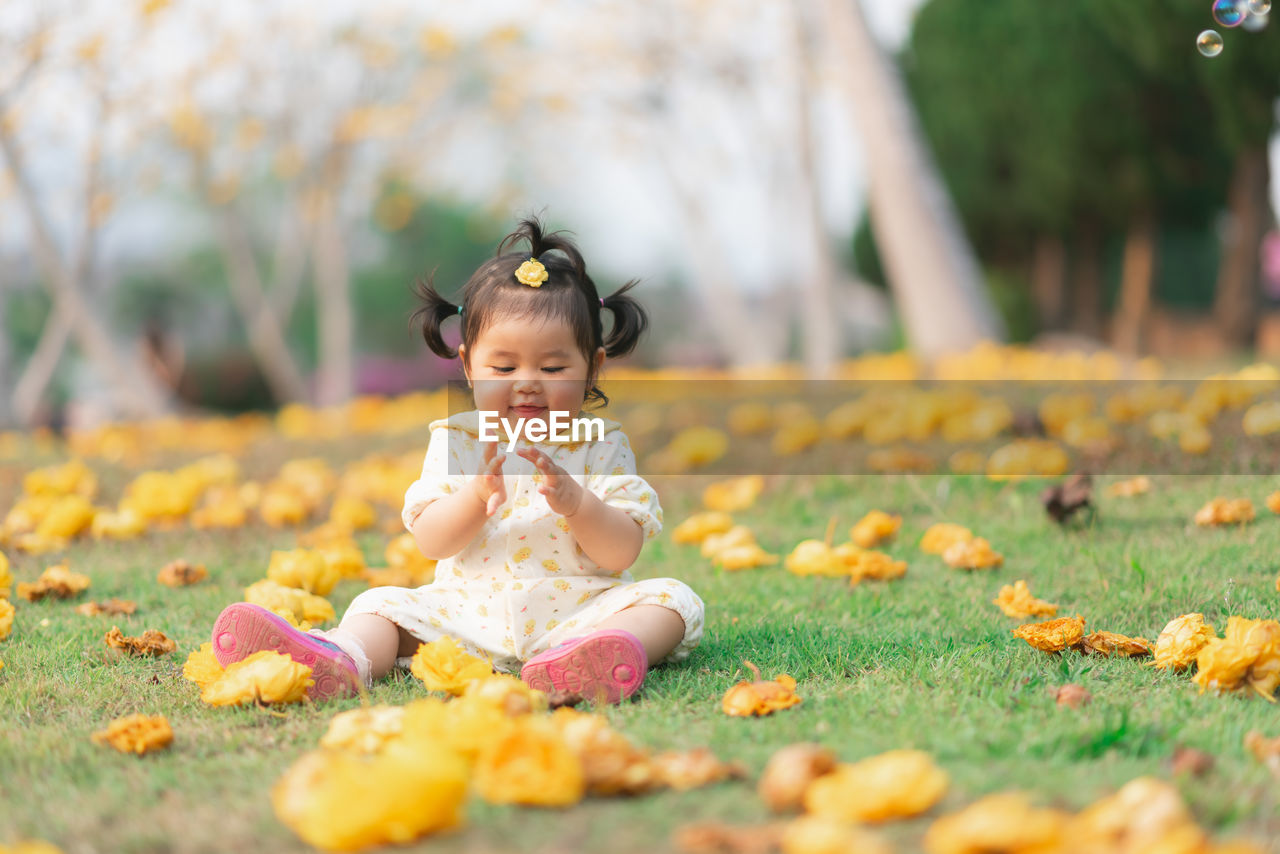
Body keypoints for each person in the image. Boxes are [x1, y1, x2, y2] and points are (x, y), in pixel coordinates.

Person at [209, 218, 704, 703]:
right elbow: (431, 540)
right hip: (467, 617)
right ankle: (343, 658)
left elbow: (622, 553)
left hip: (579, 613)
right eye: (504, 366)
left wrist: (577, 504)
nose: (527, 381)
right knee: (380, 606)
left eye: (553, 367)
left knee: (672, 602)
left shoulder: (602, 444)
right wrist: (474, 496)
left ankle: (593, 657)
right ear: (468, 365)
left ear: (593, 367)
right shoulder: (457, 440)